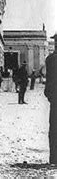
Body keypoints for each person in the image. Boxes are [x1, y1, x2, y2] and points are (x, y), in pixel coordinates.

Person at [45, 34, 57, 164]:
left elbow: (48, 85)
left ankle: (54, 158)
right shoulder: (51, 59)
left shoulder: (50, 59)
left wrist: (50, 96)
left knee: (54, 129)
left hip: (55, 100)